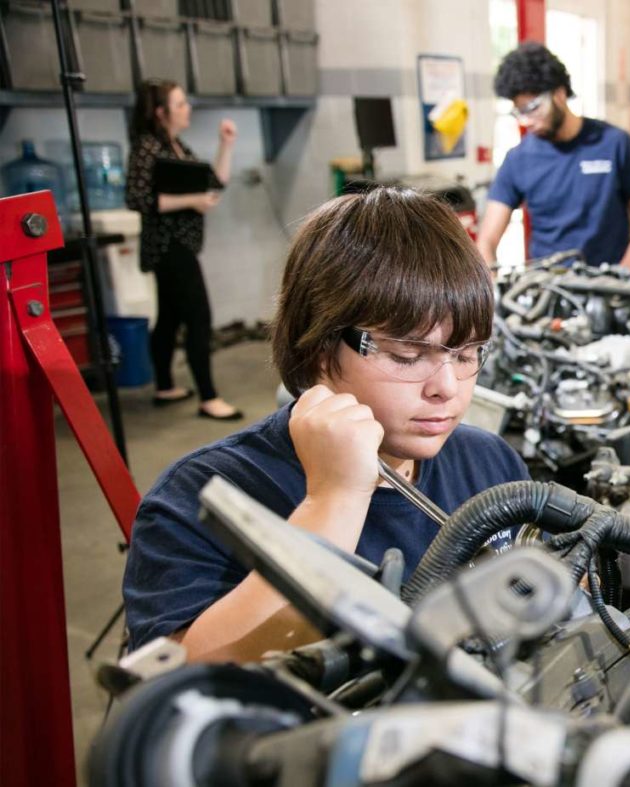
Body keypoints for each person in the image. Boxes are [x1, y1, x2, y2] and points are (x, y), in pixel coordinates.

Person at [122, 187, 530, 662]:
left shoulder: (488, 463)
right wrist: (332, 501)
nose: (447, 386)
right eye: (406, 355)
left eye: (465, 354)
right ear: (317, 347)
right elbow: (174, 684)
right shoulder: (202, 496)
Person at [476, 42, 630, 271]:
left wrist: (620, 277)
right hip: (547, 290)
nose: (525, 121)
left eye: (532, 108)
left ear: (559, 94)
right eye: (518, 112)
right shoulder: (518, 160)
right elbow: (486, 240)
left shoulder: (613, 144)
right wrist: (491, 289)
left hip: (608, 291)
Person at [126, 78, 242, 420]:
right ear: (160, 113)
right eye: (179, 104)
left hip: (182, 244)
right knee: (198, 317)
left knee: (169, 319)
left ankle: (165, 386)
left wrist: (226, 145)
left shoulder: (177, 146)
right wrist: (193, 200)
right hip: (168, 247)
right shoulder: (147, 148)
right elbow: (137, 198)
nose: (186, 108)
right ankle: (209, 397)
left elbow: (214, 182)